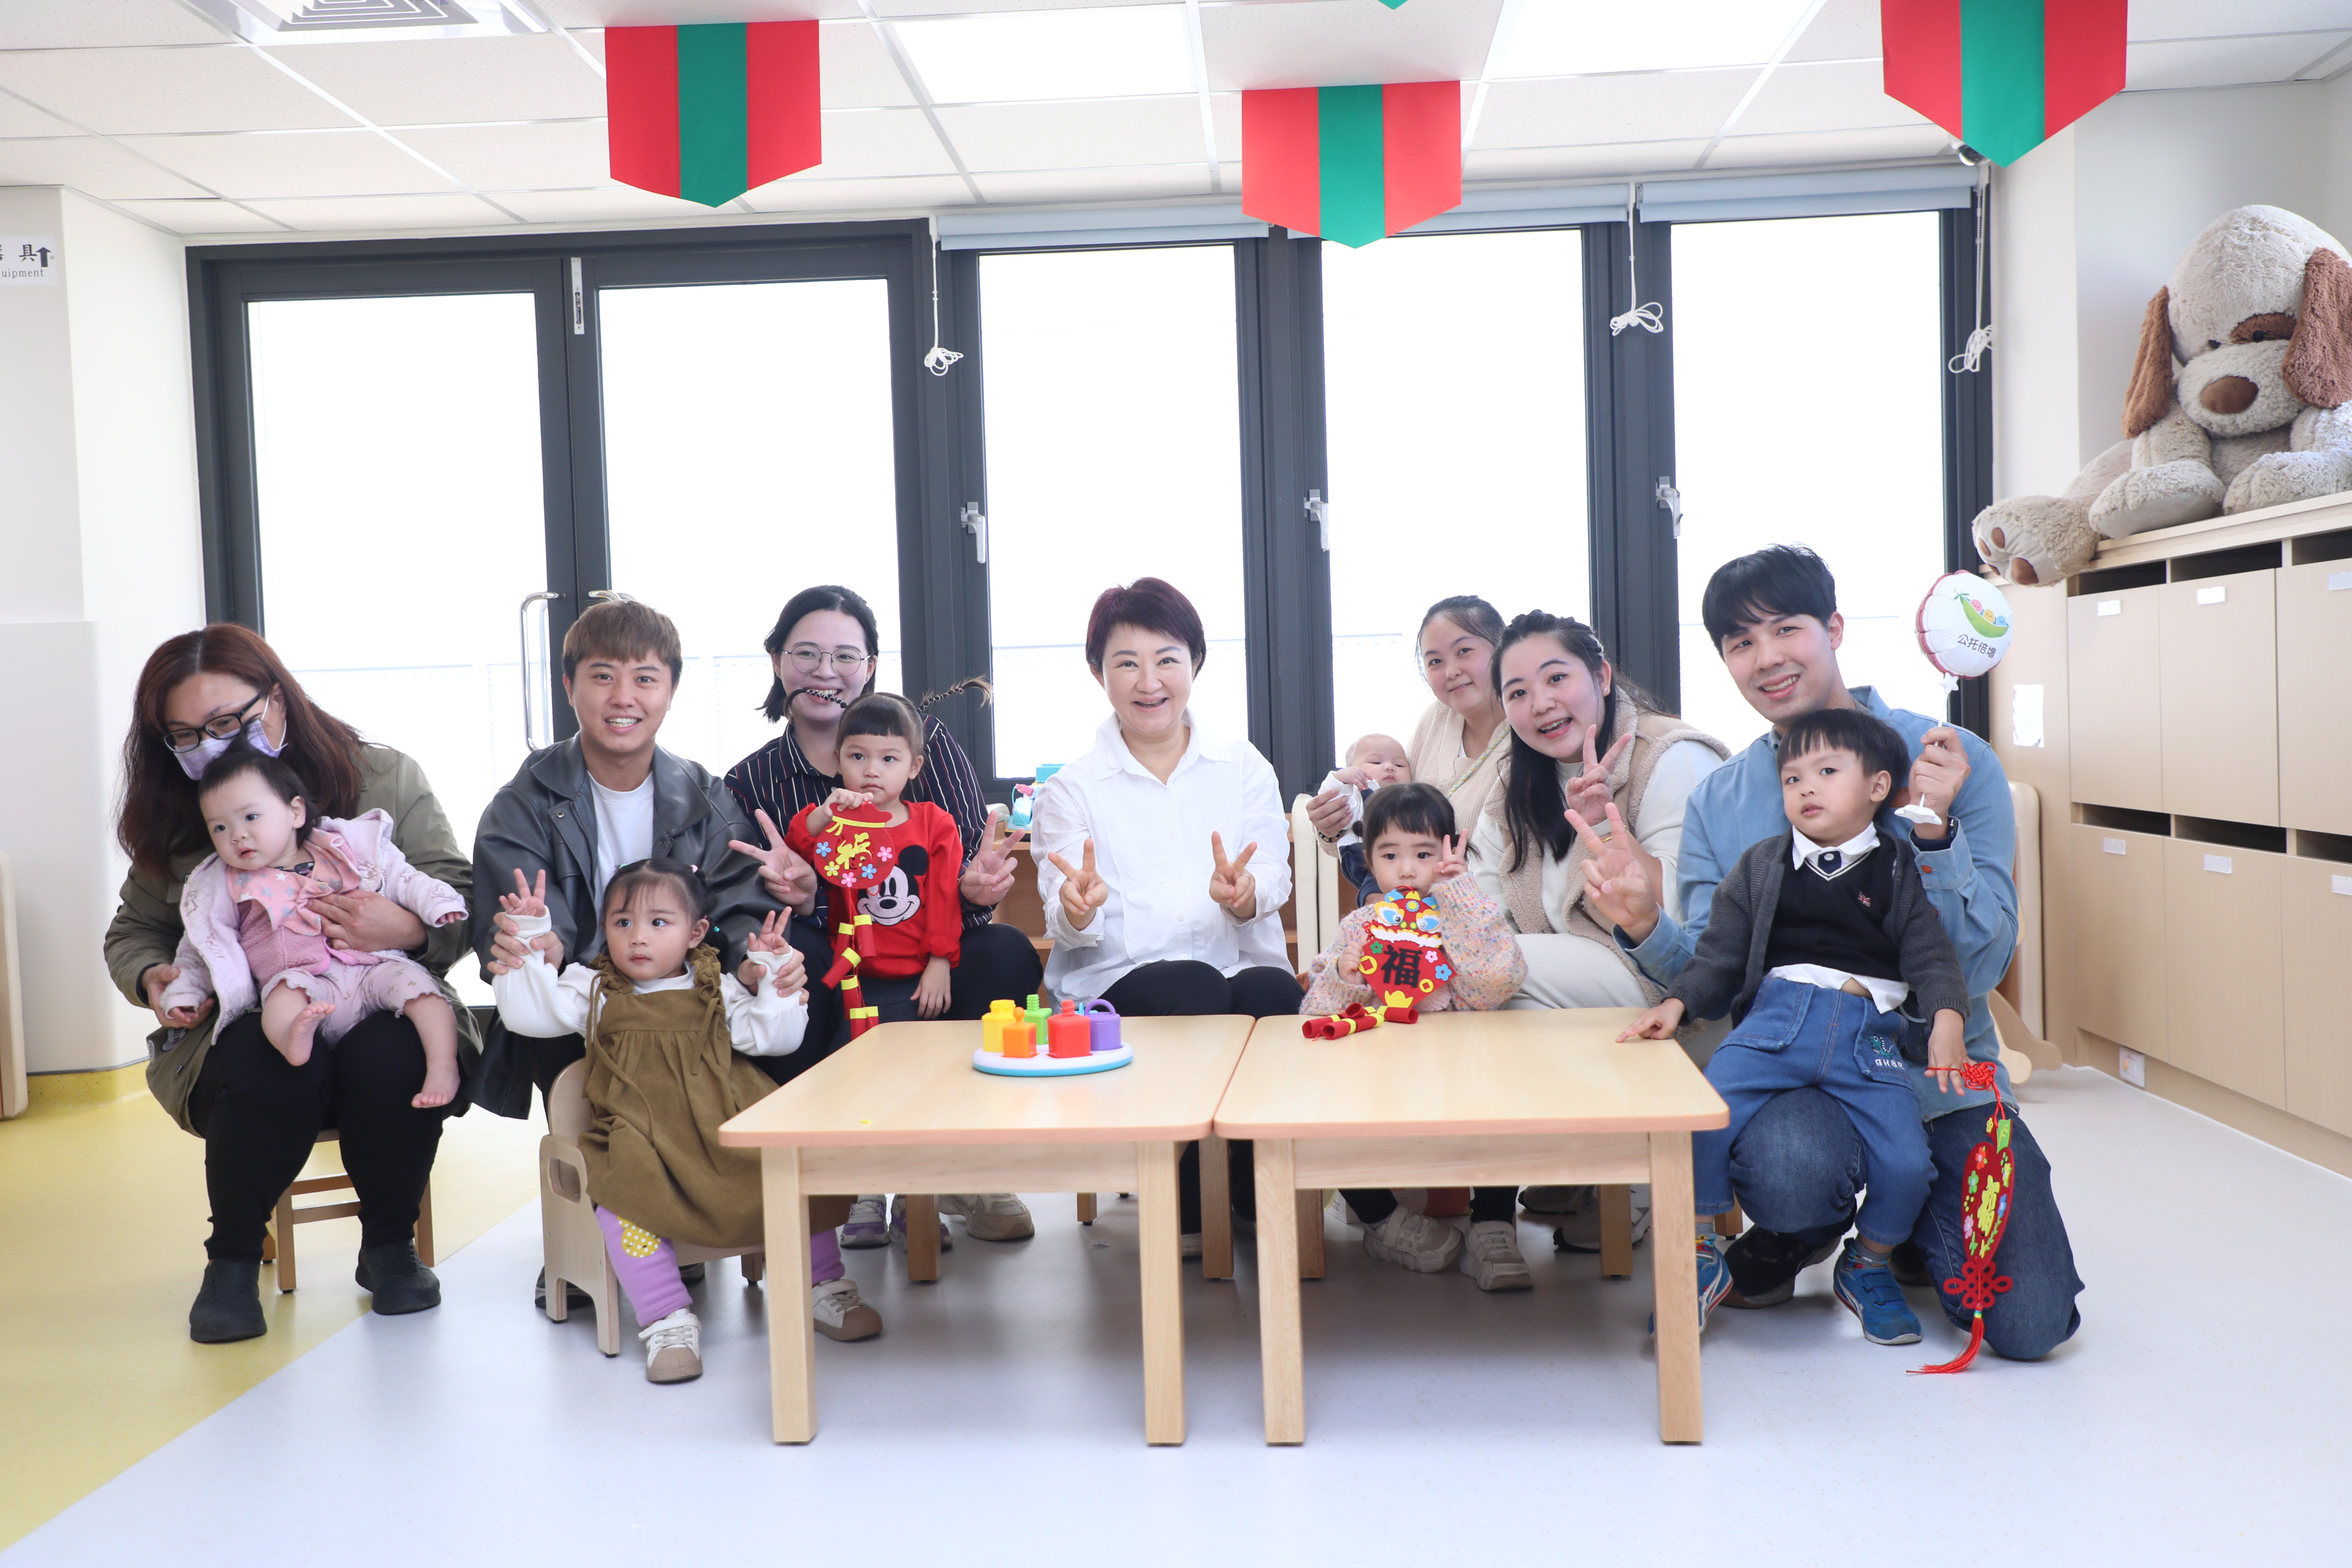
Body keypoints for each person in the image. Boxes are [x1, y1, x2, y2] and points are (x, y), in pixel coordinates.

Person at [1590, 545, 2082, 1359]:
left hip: (1938, 1082)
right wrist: (1646, 925)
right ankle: (1805, 1223)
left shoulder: (1949, 759)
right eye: (1741, 642)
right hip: (1802, 1072)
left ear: (1835, 628)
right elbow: (1718, 977)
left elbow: (1980, 968)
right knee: (1791, 1172)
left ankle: (1902, 1232)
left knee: (2029, 1324)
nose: (1766, 657)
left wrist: (1933, 833)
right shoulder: (1722, 800)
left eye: (1786, 628)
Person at [106, 624, 475, 1344]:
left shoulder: (381, 780)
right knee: (263, 1059)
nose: (209, 746)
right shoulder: (183, 815)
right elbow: (134, 933)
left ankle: (390, 1245)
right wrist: (156, 976)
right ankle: (232, 1262)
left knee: (394, 1053)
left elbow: (454, 893)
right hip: (257, 1012)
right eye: (185, 736)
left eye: (226, 723)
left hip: (372, 990)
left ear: (276, 703)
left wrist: (403, 926)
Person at [1616, 707, 1970, 1344]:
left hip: (1868, 1038)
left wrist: (1947, 1018)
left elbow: (1932, 956)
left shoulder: (1898, 868)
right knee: (1701, 1119)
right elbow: (1719, 955)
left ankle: (1868, 1264)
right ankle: (1700, 1253)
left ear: (1878, 787)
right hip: (1774, 1025)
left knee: (1908, 1162)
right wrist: (1678, 1004)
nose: (1806, 788)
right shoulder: (1761, 866)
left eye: (1827, 772)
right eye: (1792, 778)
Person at [723, 585, 1042, 1247]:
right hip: (834, 954)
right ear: (777, 660)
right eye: (806, 653)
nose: (825, 670)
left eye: (846, 655)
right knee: (793, 963)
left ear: (869, 665)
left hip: (928, 948)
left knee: (1007, 952)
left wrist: (973, 893)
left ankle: (959, 1166)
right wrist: (802, 898)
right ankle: (841, 1178)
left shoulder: (926, 748)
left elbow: (954, 875)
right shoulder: (752, 781)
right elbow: (751, 907)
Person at [490, 861, 879, 1376]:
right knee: (625, 1194)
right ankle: (666, 1317)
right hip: (639, 1132)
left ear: (696, 932)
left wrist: (773, 977)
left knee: (791, 1169)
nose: (638, 937)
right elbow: (529, 1015)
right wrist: (530, 935)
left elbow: (775, 1038)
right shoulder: (595, 987)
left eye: (659, 922)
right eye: (622, 922)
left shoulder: (716, 985)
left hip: (728, 1119)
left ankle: (823, 1283)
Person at [1031, 578, 1303, 1250]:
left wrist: (1246, 892)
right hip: (1115, 983)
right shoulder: (1071, 789)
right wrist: (1077, 907)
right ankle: (1185, 1197)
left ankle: (1248, 1186)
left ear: (1195, 664)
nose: (1149, 682)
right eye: (1127, 663)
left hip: (1234, 963)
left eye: (1167, 660)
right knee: (1194, 987)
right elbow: (1065, 915)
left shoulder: (1242, 765)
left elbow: (1272, 869)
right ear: (1098, 673)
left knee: (1272, 992)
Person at [1467, 610, 1728, 1265]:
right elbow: (1485, 902)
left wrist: (1610, 829)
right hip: (1582, 977)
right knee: (1481, 979)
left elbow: (1684, 915)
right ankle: (1586, 1164)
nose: (1540, 703)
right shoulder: (1517, 780)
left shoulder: (1672, 756)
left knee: (1498, 972)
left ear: (1603, 677)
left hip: (1677, 981)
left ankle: (1630, 1175)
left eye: (1557, 678)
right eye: (1518, 692)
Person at [1300, 783, 1530, 1288]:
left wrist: (1459, 894)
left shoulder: (1467, 911)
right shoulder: (1360, 925)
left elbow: (1497, 982)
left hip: (1463, 1073)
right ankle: (1383, 1220)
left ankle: (1493, 1223)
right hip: (1381, 1077)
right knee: (1324, 1113)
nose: (1407, 870)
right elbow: (1316, 1010)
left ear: (1450, 852)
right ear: (1369, 861)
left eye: (1423, 854)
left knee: (1502, 1108)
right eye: (1390, 856)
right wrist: (1345, 976)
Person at [163, 742, 468, 1108]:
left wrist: (439, 904)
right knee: (281, 999)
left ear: (295, 812)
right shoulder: (225, 883)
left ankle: (442, 1065)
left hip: (372, 969)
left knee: (425, 994)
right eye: (220, 827)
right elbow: (202, 945)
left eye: (251, 817)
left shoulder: (345, 848)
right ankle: (292, 1039)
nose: (237, 835)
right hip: (302, 981)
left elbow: (404, 878)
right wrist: (184, 992)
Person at [1304, 595, 1513, 873]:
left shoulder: (1529, 730)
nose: (1451, 672)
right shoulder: (1436, 719)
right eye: (1435, 661)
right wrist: (1334, 826)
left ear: (1502, 649)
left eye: (1464, 651)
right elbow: (1388, 815)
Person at [1314, 732, 1412, 902]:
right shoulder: (1358, 796)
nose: (1390, 767)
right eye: (1376, 762)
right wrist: (1339, 780)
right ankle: (1373, 912)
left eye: (1400, 765)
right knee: (1375, 890)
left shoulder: (1411, 800)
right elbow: (1330, 801)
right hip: (1362, 857)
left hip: (1403, 859)